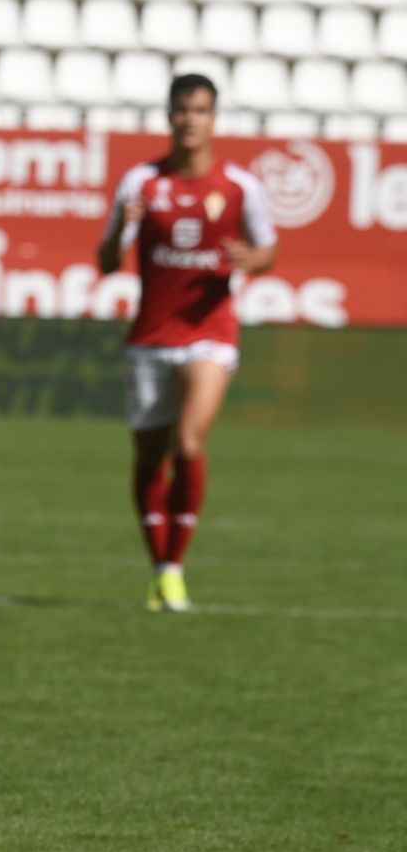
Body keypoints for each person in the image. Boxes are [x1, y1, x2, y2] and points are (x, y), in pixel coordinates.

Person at [96, 73, 276, 613]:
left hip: (210, 334)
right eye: (181, 109)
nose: (189, 119)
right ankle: (159, 567)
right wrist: (120, 233)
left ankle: (175, 567)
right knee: (150, 455)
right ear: (170, 116)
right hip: (151, 337)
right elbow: (106, 263)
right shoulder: (142, 184)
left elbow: (269, 249)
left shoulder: (241, 186)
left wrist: (252, 261)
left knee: (189, 443)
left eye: (199, 110)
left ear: (213, 118)